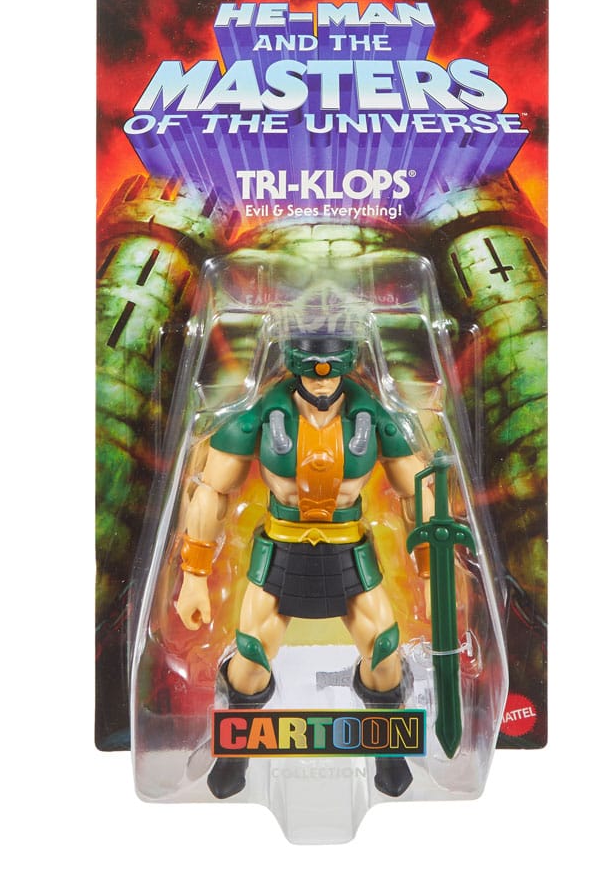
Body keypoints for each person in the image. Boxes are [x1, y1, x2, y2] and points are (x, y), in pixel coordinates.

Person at [175, 331, 433, 798]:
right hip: (282, 549)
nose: (322, 380)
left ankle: (389, 756)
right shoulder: (256, 417)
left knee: (384, 652)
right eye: (312, 369)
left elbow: (417, 492)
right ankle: (232, 757)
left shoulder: (375, 418)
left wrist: (434, 575)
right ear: (293, 365)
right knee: (251, 656)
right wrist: (193, 577)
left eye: (331, 369)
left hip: (347, 548)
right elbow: (210, 492)